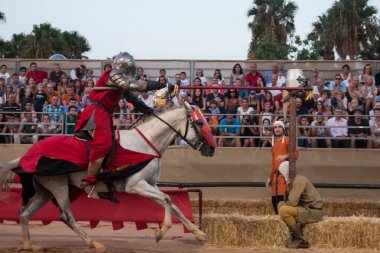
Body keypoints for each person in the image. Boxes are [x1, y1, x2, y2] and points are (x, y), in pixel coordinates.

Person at [74, 52, 169, 199]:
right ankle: (89, 182)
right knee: (103, 145)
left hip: (104, 114)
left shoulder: (118, 82)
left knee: (113, 146)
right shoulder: (112, 74)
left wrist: (147, 110)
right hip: (96, 112)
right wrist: (157, 85)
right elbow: (133, 85)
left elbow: (132, 97)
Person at [277, 161, 323, 249]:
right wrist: (287, 188)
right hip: (306, 209)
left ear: (285, 173)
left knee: (283, 210)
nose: (280, 176)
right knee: (281, 204)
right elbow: (288, 202)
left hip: (313, 212)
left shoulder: (298, 181)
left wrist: (287, 189)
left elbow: (292, 203)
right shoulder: (296, 180)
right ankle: (292, 235)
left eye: (281, 174)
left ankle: (300, 240)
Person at [265, 121, 298, 214]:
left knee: (283, 203)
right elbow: (273, 163)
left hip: (284, 178)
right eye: (275, 127)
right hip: (275, 179)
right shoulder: (274, 144)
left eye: (279, 127)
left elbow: (296, 155)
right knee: (275, 203)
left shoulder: (287, 140)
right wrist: (269, 178)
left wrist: (286, 156)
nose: (277, 129)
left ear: (283, 129)